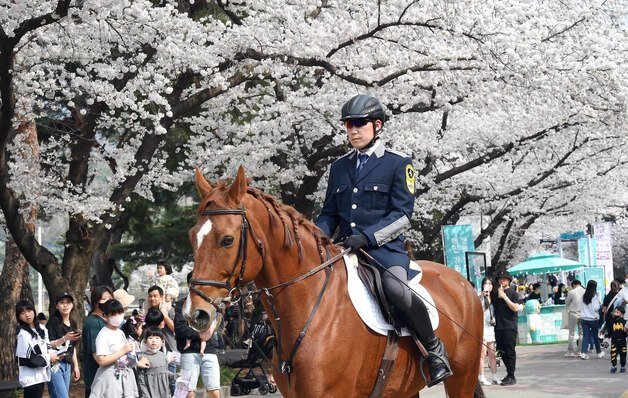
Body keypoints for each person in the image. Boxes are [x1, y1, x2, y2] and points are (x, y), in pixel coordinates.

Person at [315, 94, 451, 387]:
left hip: (383, 251)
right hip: (344, 249)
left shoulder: (398, 163)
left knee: (396, 289)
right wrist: (314, 238)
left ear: (377, 125)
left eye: (359, 124)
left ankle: (434, 349)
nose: (352, 130)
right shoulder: (339, 167)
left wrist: (366, 237)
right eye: (348, 124)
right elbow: (329, 214)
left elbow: (403, 215)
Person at [174, 273, 221, 398]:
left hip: (210, 351)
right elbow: (180, 329)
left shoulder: (211, 303)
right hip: (188, 352)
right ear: (189, 284)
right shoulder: (181, 304)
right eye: (194, 284)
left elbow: (216, 323)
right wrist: (201, 334)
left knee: (214, 391)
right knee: (188, 393)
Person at [89, 299, 139, 398]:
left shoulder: (119, 332)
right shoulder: (103, 335)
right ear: (105, 316)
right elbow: (102, 361)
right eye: (113, 314)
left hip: (124, 375)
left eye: (120, 313)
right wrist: (122, 351)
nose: (117, 317)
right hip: (110, 377)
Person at [46, 293, 82, 398]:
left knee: (60, 395)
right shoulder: (53, 322)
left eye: (68, 302)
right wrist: (64, 338)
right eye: (62, 303)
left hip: (67, 364)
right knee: (62, 396)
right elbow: (49, 344)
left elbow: (72, 346)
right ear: (57, 306)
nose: (65, 305)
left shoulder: (73, 323)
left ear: (72, 305)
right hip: (54, 364)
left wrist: (76, 366)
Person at [15, 300, 52, 398]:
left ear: (34, 311)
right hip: (30, 379)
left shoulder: (41, 328)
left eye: (29, 311)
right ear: (19, 317)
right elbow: (26, 360)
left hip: (40, 376)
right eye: (23, 313)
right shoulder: (23, 335)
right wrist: (49, 358)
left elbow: (47, 346)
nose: (27, 315)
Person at [82, 286, 114, 398]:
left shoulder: (108, 320)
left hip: (109, 380)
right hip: (96, 382)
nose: (109, 301)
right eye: (105, 298)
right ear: (96, 302)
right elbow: (100, 359)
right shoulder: (93, 323)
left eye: (111, 298)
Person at [492, 270, 520, 386]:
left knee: (510, 351)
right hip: (499, 327)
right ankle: (508, 373)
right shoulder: (496, 293)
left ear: (508, 280)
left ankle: (511, 375)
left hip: (509, 326)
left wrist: (504, 297)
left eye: (503, 278)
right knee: (502, 351)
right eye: (500, 279)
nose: (501, 280)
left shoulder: (513, 293)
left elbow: (515, 308)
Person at [137, 327, 176, 398]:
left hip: (165, 392)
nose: (153, 341)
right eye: (150, 338)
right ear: (145, 341)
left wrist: (176, 376)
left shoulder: (163, 356)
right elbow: (140, 379)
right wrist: (145, 395)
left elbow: (165, 372)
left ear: (162, 341)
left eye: (157, 338)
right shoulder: (143, 357)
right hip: (151, 392)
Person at [478, 278, 499, 386]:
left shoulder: (494, 297)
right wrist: (482, 295)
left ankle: (494, 376)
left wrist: (494, 318)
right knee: (482, 353)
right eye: (486, 283)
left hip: (491, 327)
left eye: (490, 283)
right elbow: (477, 310)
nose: (488, 285)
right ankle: (481, 377)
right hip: (482, 327)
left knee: (492, 353)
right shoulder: (480, 297)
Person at [580, 280, 603, 360]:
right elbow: (596, 308)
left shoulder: (583, 295)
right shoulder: (594, 296)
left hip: (584, 319)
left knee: (585, 336)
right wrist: (600, 304)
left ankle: (583, 353)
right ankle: (599, 352)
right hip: (593, 319)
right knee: (595, 336)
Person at [564, 279, 585, 357]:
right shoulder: (584, 291)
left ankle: (570, 351)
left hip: (573, 314)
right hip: (582, 314)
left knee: (571, 333)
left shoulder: (571, 292)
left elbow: (566, 302)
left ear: (573, 285)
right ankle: (580, 351)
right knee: (581, 333)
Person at [609, 305, 627, 373]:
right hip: (614, 340)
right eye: (615, 312)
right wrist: (604, 332)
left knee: (623, 354)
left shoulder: (624, 322)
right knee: (613, 353)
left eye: (617, 312)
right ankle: (614, 366)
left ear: (621, 314)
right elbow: (609, 327)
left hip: (622, 340)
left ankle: (623, 366)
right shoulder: (612, 321)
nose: (615, 313)